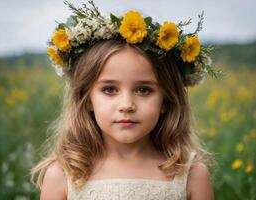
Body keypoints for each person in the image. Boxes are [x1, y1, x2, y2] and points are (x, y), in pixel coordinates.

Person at [32, 1, 218, 199]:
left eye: (144, 90)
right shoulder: (63, 175)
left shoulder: (191, 175)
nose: (127, 105)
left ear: (166, 100)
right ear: (86, 99)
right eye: (110, 89)